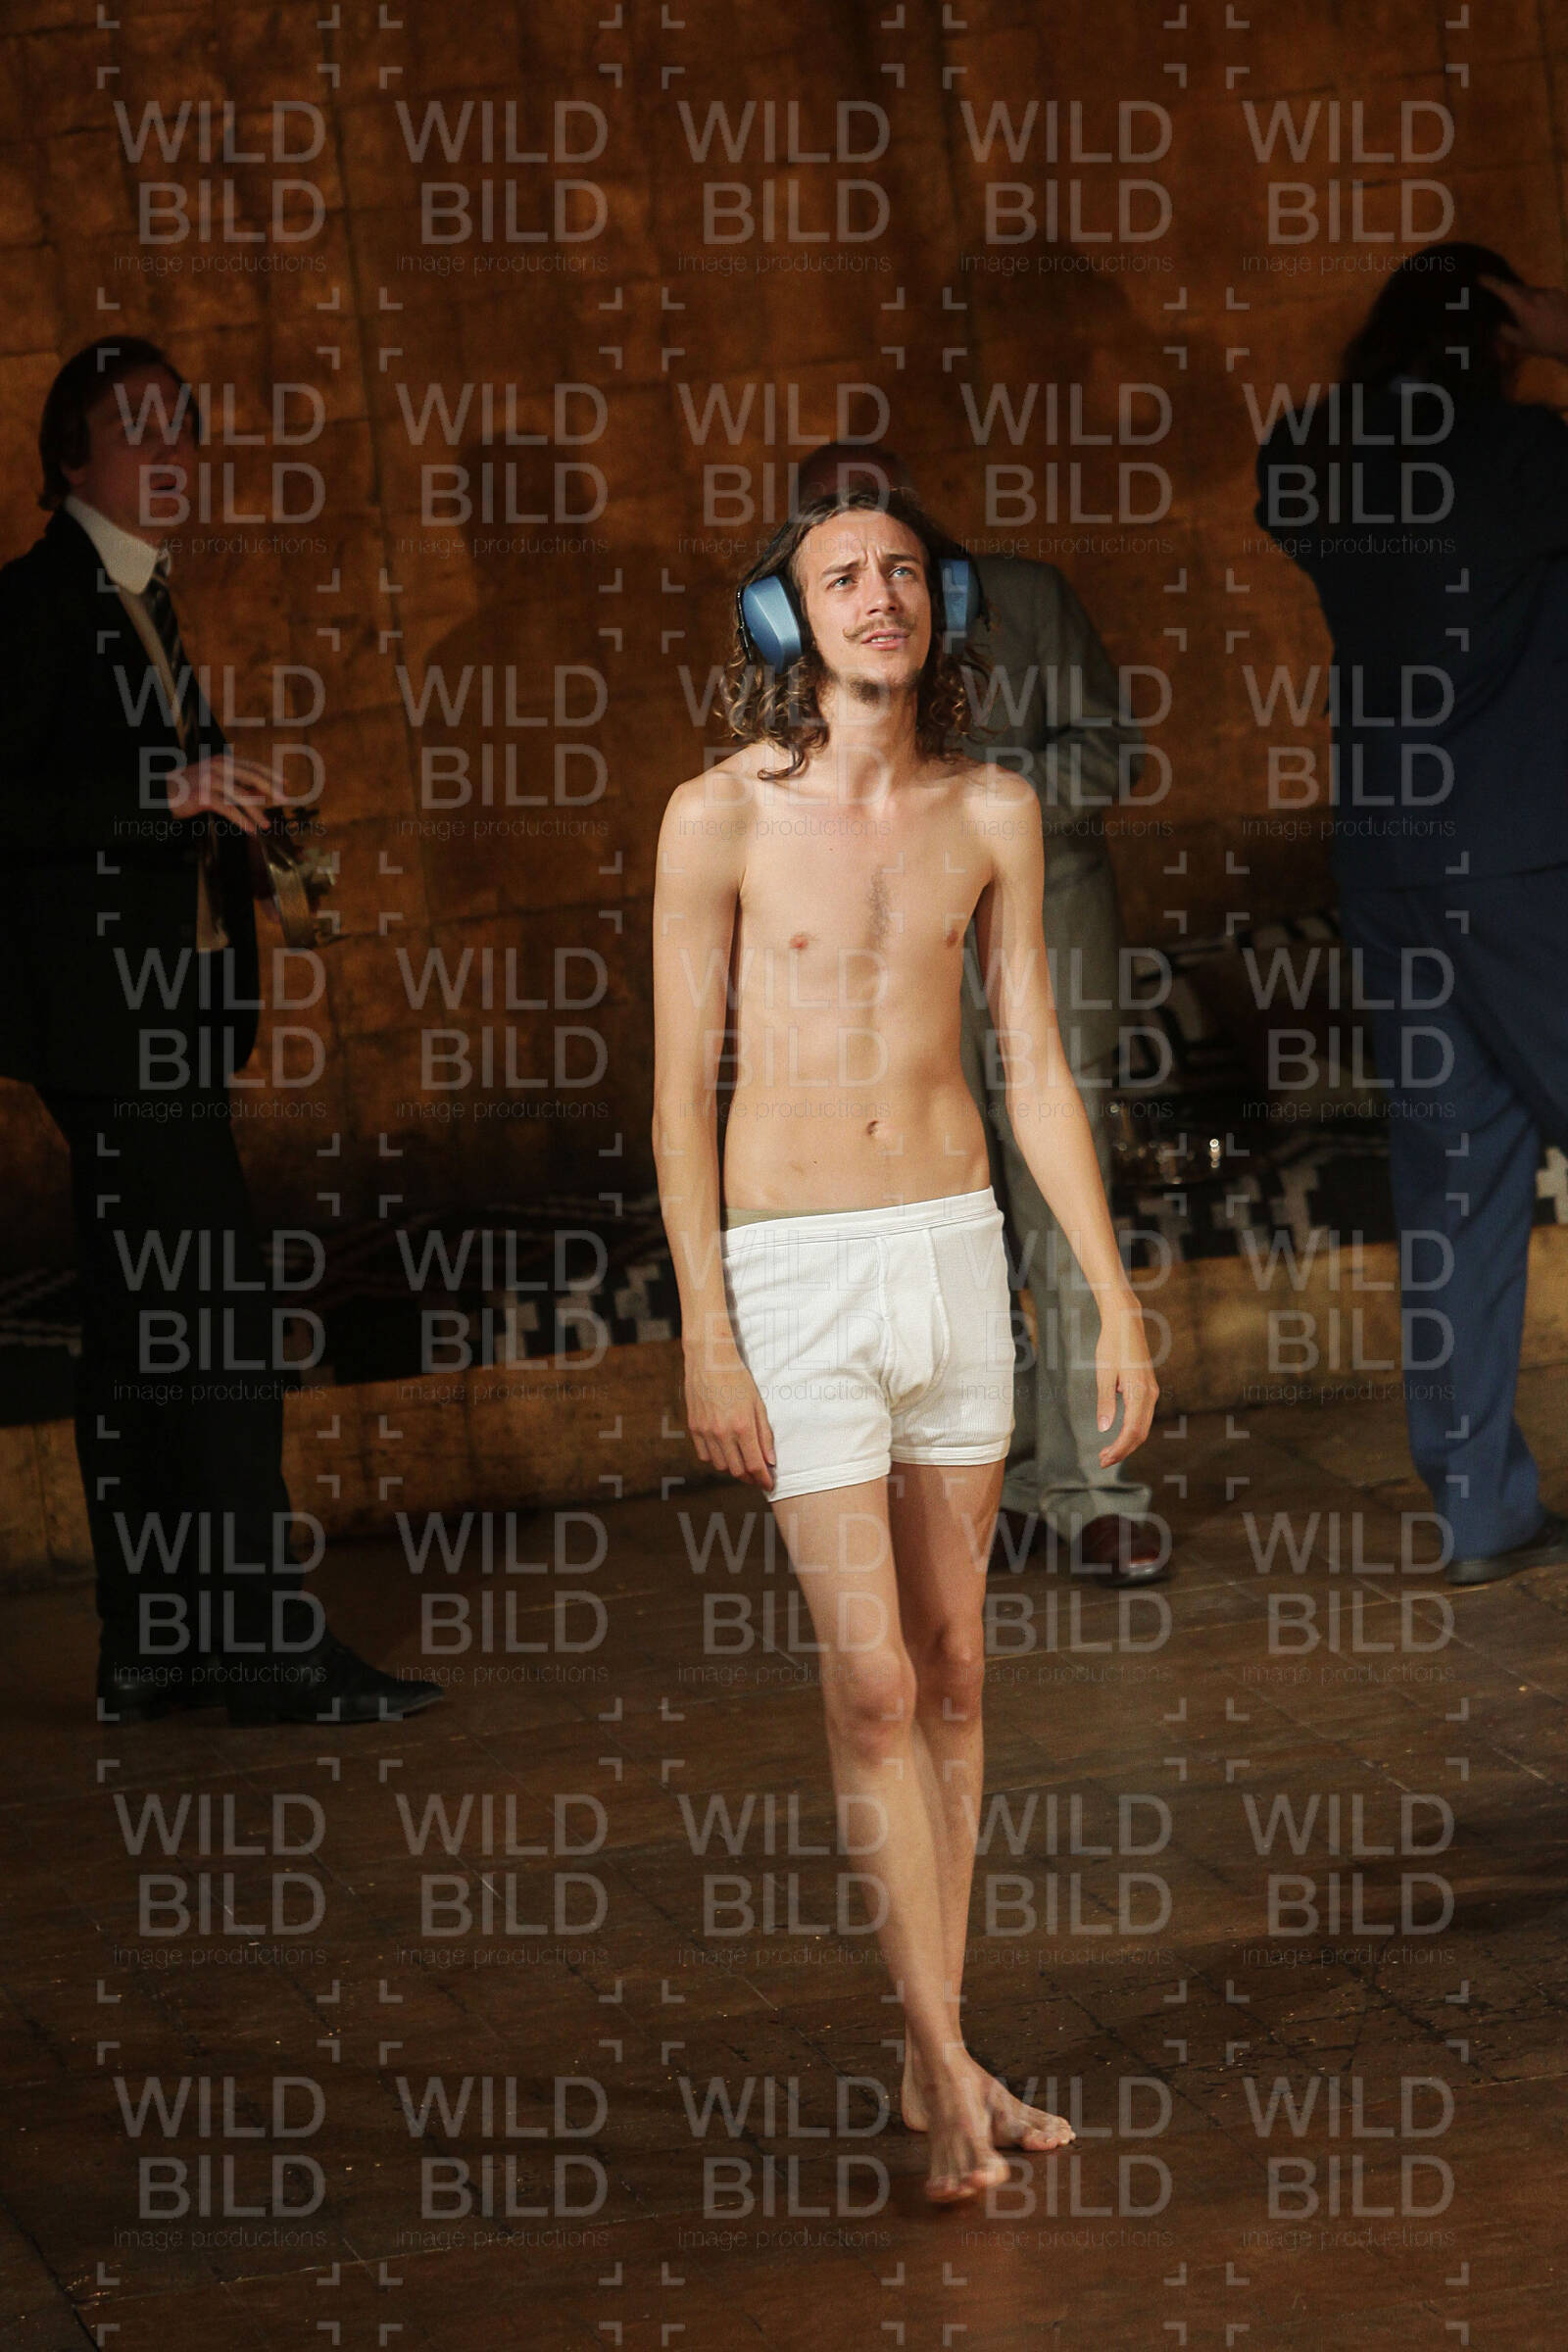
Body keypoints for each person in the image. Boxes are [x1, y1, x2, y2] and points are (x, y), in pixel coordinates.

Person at [651, 486, 1158, 2199]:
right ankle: (946, 2074)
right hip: (795, 1273)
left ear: (941, 599)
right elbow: (676, 1097)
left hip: (952, 1256)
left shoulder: (993, 809)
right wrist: (707, 1333)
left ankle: (937, 2048)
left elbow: (1037, 1072)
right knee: (869, 1684)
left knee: (954, 1676)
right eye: (839, 578)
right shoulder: (716, 818)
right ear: (783, 621)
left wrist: (1110, 1292)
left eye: (900, 573)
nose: (878, 598)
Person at [0, 336, 442, 1722]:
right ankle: (262, 1646)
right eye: (136, 427)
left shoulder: (138, 595)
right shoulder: (35, 603)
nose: (170, 449)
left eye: (182, 425)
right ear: (69, 460)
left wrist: (231, 842)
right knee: (220, 1333)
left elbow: (110, 812)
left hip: (160, 1025)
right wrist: (169, 800)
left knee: (144, 1336)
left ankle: (154, 1647)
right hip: (114, 1039)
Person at [793, 444, 1169, 1587]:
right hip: (898, 956)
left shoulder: (1031, 597)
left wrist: (978, 815)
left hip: (1051, 925)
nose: (870, 572)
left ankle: (1097, 1492)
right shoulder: (798, 642)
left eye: (885, 521)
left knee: (1063, 1206)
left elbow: (1112, 751)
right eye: (832, 528)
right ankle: (1003, 1483)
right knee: (952, 1213)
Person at [1255, 243, 1568, 1587]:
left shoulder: (1312, 458)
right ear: (1500, 327)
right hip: (1527, 859)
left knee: (1453, 1188)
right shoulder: (1524, 455)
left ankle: (1481, 1511)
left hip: (1388, 861)